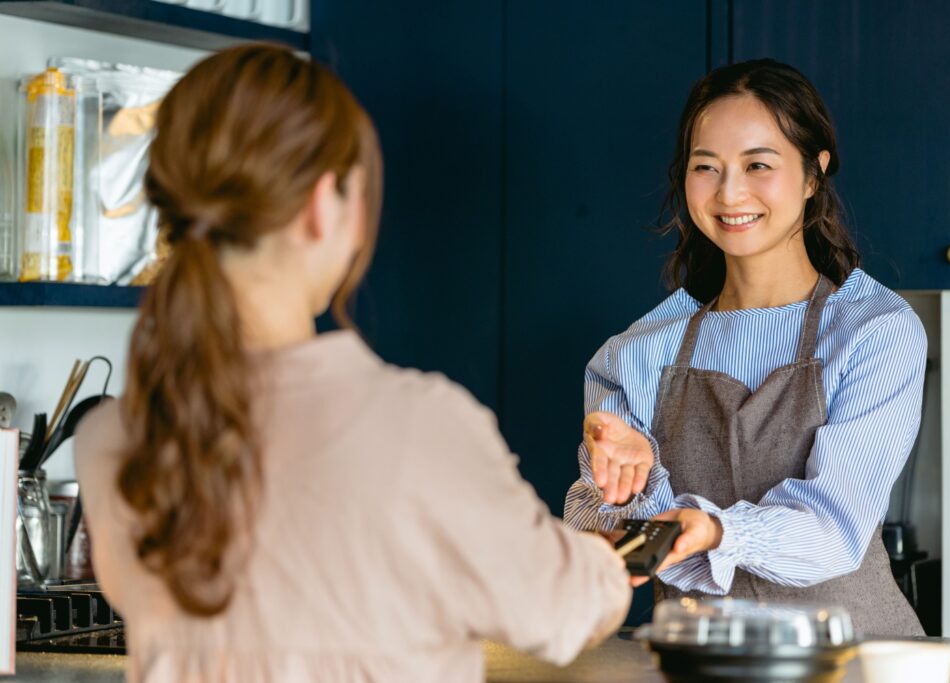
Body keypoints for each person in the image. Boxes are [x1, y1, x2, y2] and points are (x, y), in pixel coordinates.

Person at [75, 44, 631, 683]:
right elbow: (562, 612)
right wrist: (603, 557)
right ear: (322, 205)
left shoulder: (110, 440)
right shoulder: (419, 425)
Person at [564, 59, 926, 637]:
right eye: (706, 167)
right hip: (697, 663)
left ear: (814, 174)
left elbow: (834, 530)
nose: (730, 192)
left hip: (854, 661)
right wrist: (629, 485)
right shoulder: (633, 355)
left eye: (758, 164)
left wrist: (715, 530)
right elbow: (595, 531)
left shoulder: (874, 331)